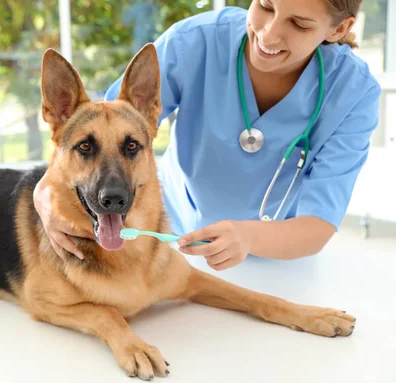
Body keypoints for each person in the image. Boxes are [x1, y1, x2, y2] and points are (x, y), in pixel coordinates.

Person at [33, 0, 380, 271]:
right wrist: (43, 193)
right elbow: (98, 129)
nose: (270, 35)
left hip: (282, 258)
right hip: (170, 239)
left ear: (340, 29)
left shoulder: (353, 93)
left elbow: (317, 225)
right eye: (265, 7)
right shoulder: (195, 43)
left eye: (299, 23)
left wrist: (246, 236)